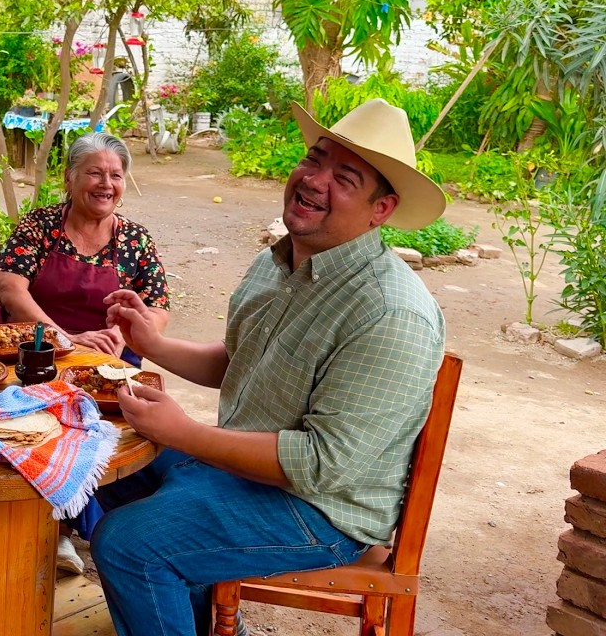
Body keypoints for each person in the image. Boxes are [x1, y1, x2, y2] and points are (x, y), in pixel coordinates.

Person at [91, 98, 448, 636]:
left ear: (381, 209)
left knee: (128, 544)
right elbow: (239, 364)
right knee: (99, 464)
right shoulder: (276, 263)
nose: (314, 180)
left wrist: (182, 433)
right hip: (244, 470)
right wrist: (152, 343)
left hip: (322, 511)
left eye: (344, 178)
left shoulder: (389, 312)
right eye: (314, 159)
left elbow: (322, 465)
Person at [0, 131, 171, 574]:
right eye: (95, 173)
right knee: (30, 421)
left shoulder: (135, 239)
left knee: (103, 427)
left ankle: (66, 526)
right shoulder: (41, 225)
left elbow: (158, 306)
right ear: (70, 178)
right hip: (33, 347)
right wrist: (64, 337)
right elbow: (9, 286)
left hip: (104, 357)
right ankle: (36, 522)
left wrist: (125, 335)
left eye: (116, 175)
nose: (106, 184)